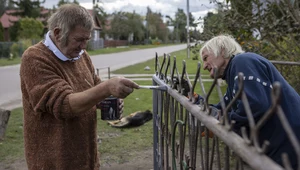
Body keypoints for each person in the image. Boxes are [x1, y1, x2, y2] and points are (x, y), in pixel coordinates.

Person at [19, 4, 139, 170]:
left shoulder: (81, 56)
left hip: (86, 158)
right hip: (54, 163)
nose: (84, 46)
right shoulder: (34, 58)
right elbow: (64, 105)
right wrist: (105, 89)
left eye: (87, 40)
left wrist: (106, 99)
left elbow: (93, 85)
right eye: (79, 40)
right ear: (58, 33)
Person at [199, 34, 300, 169]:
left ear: (222, 50)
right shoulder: (233, 77)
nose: (204, 66)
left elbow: (255, 105)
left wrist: (222, 121)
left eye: (206, 58)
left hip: (290, 141)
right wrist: (197, 101)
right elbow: (222, 108)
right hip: (281, 143)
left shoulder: (243, 61)